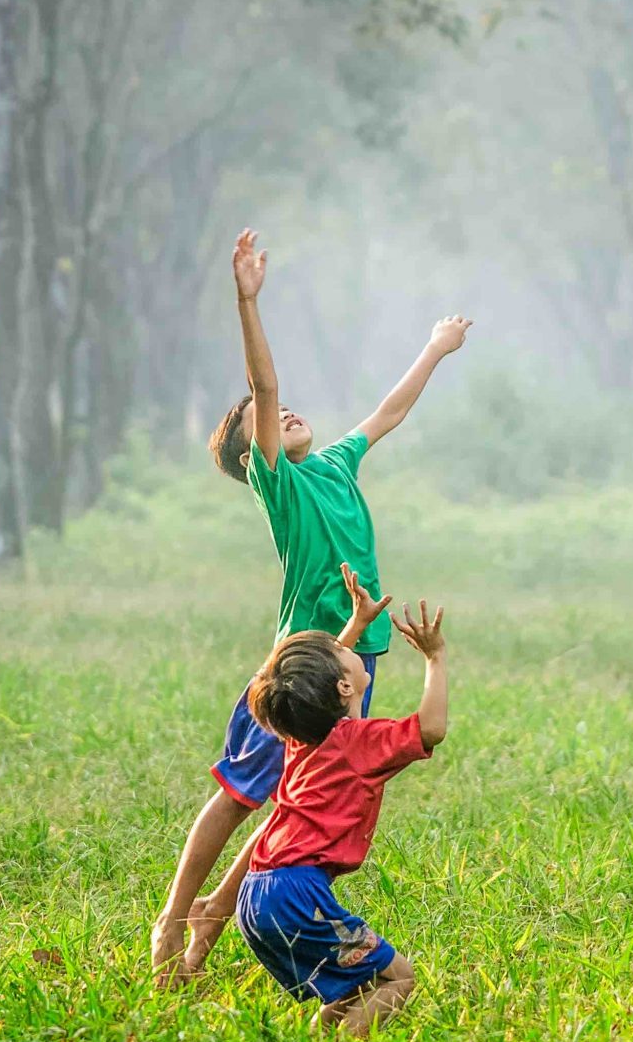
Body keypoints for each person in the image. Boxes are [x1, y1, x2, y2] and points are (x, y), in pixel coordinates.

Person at [148, 227, 471, 982]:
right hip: (301, 664)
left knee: (300, 802)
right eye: (261, 419)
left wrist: (434, 348)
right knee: (239, 794)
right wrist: (247, 300)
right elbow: (263, 386)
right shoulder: (281, 484)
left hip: (358, 657)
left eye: (287, 408)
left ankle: (206, 938)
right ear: (248, 455)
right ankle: (173, 923)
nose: (283, 410)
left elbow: (387, 412)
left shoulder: (332, 464)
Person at [231, 587, 450, 1035]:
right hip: (297, 897)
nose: (342, 647)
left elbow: (317, 684)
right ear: (345, 686)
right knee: (398, 977)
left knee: (356, 984)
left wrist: (356, 625)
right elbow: (431, 728)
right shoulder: (359, 744)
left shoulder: (301, 734)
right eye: (339, 652)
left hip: (256, 895)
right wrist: (435, 658)